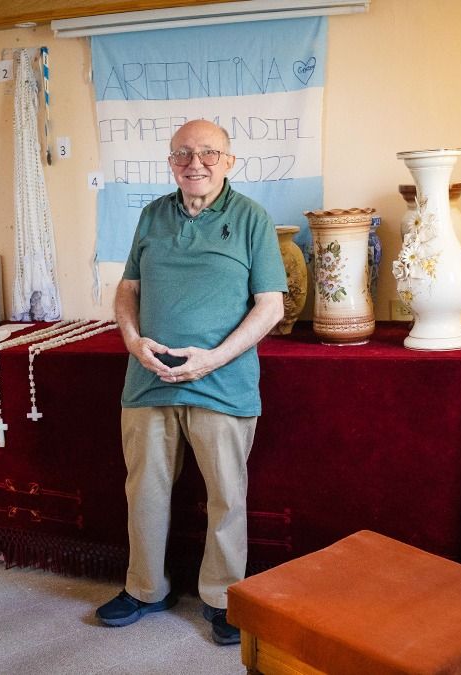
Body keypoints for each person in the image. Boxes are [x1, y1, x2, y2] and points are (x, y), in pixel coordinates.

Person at [95, 119, 286, 646]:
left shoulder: (252, 218)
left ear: (229, 161)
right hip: (149, 380)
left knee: (227, 496)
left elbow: (271, 306)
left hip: (222, 384)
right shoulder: (152, 215)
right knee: (146, 492)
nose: (194, 163)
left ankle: (225, 598)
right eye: (183, 153)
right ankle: (144, 588)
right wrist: (134, 342)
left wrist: (212, 360)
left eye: (207, 153)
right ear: (170, 160)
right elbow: (127, 289)